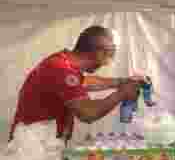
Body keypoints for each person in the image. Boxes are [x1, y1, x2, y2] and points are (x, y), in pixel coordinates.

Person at [11, 26, 143, 141]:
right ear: (98, 52)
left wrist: (121, 82)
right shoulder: (61, 69)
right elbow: (88, 113)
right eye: (107, 55)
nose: (106, 62)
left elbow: (84, 83)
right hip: (32, 148)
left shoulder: (64, 63)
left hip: (40, 143)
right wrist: (122, 93)